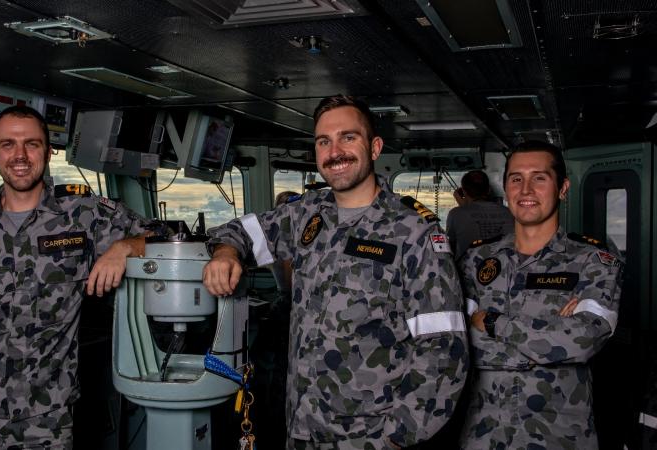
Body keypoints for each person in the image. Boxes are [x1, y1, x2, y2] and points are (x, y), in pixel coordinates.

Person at [203, 95, 468, 449]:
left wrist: (396, 437)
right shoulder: (306, 214)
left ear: (374, 148)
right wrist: (225, 253)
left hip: (369, 437)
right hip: (302, 427)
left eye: (348, 137)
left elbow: (444, 350)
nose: (335, 151)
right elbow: (235, 231)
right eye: (323, 141)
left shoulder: (414, 233)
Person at [0, 105, 152, 449]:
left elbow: (167, 238)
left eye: (31, 144)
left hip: (44, 421)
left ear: (48, 152)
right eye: (7, 145)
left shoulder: (83, 216)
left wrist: (124, 246)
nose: (19, 155)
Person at [459, 141, 622, 449]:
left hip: (559, 436)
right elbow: (457, 343)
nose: (526, 189)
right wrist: (549, 340)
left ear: (563, 188)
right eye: (516, 178)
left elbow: (582, 341)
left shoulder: (594, 261)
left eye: (540, 178)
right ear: (505, 189)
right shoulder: (475, 260)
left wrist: (493, 323)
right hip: (483, 434)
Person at [446, 170, 514, 259]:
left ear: (464, 192)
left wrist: (463, 207)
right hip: (503, 267)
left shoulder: (455, 214)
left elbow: (450, 246)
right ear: (489, 190)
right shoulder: (509, 212)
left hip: (468, 269)